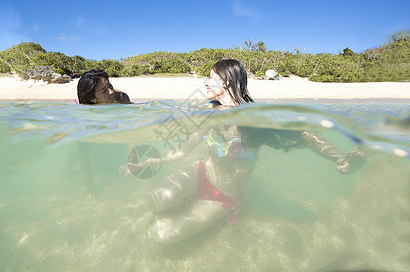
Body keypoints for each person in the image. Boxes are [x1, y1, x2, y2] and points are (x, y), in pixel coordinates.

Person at [123, 59, 364, 245]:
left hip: (222, 195)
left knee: (160, 234)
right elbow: (182, 149)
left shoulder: (253, 119)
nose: (205, 83)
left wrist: (340, 158)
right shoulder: (206, 112)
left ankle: (198, 207)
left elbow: (305, 136)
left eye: (211, 78)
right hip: (200, 171)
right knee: (157, 200)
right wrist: (152, 161)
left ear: (227, 82)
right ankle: (182, 201)